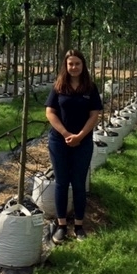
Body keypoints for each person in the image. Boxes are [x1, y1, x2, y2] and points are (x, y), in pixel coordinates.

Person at [45, 48, 103, 244]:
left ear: (83, 65)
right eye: (70, 64)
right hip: (58, 141)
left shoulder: (90, 88)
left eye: (77, 63)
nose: (74, 67)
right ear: (66, 65)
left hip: (83, 142)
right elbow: (50, 113)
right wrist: (66, 134)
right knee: (61, 182)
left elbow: (94, 115)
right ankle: (61, 225)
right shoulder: (59, 86)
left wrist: (79, 136)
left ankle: (79, 225)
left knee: (79, 183)